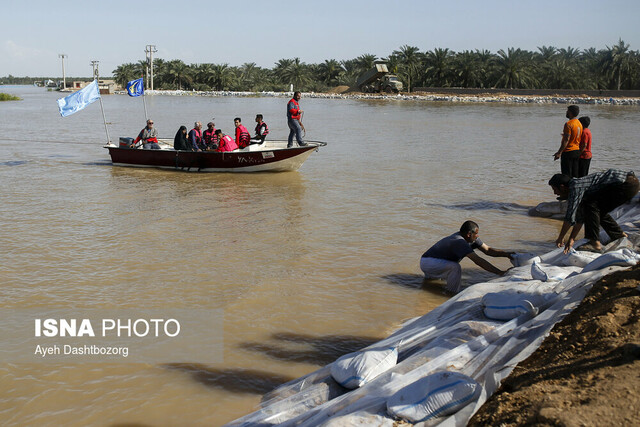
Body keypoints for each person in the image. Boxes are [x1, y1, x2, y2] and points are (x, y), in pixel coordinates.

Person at [549, 169, 639, 253]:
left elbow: (570, 216)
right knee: (597, 210)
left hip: (626, 185)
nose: (555, 193)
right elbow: (579, 217)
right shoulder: (578, 186)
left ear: (562, 187)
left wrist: (560, 238)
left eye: (555, 189)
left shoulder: (575, 187)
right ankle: (618, 235)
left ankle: (594, 243)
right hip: (632, 184)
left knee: (591, 206)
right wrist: (571, 239)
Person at [420, 221, 514, 293]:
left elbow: (488, 250)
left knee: (431, 284)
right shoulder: (459, 242)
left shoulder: (471, 239)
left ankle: (427, 289)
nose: (477, 235)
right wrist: (499, 272)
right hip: (429, 262)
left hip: (435, 262)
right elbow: (478, 260)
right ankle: (452, 294)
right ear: (469, 234)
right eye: (476, 233)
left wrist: (506, 254)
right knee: (455, 267)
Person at [553, 105, 583, 178]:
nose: (566, 112)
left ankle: (566, 189)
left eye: (567, 111)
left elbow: (566, 140)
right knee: (575, 175)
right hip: (576, 151)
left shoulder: (568, 124)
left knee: (566, 175)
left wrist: (559, 152)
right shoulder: (579, 123)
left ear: (570, 112)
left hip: (568, 151)